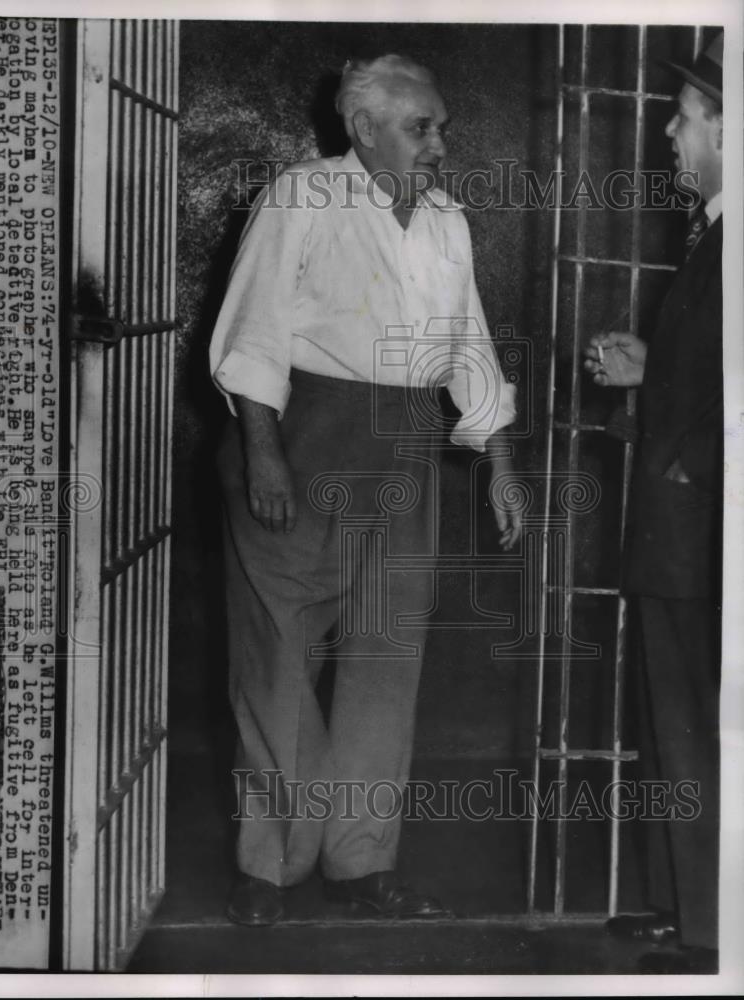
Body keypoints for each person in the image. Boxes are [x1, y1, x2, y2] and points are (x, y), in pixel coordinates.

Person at [209, 54, 522, 926]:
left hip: (407, 442)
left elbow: (472, 345)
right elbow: (253, 329)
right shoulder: (302, 196)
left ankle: (360, 862)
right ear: (364, 129)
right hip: (302, 433)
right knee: (278, 653)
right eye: (423, 127)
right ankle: (271, 865)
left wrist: (499, 461)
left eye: (443, 127)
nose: (440, 144)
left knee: (387, 658)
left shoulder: (447, 222)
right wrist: (265, 452)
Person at [584, 34, 723, 975]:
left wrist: (690, 470)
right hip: (687, 531)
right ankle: (689, 908)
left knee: (707, 725)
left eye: (682, 115)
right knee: (679, 725)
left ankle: (719, 934)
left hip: (708, 533)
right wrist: (649, 374)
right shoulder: (714, 230)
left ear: (725, 124)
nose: (669, 133)